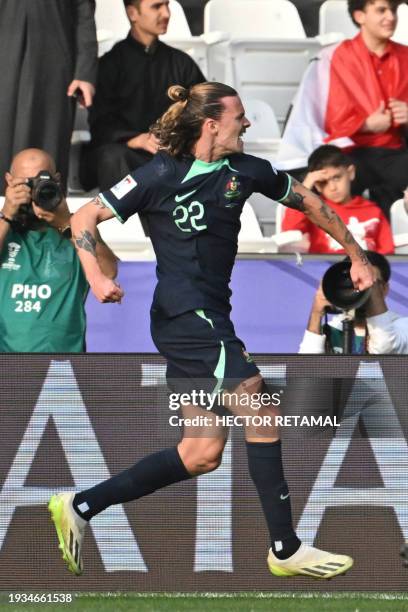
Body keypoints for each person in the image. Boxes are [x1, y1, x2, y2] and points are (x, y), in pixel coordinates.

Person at [49, 82, 374, 579]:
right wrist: (95, 274)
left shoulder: (246, 170)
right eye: (240, 116)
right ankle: (285, 547)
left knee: (200, 453)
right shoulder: (160, 174)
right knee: (259, 402)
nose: (247, 124)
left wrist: (355, 253)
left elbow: (308, 201)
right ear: (210, 124)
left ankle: (82, 506)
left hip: (207, 317)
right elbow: (85, 216)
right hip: (185, 316)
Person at [278, 0, 408, 216]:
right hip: (348, 152)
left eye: (393, 10)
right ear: (360, 16)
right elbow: (314, 118)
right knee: (332, 176)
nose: (391, 17)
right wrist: (365, 124)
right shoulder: (332, 57)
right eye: (381, 10)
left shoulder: (406, 57)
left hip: (394, 152)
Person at [0, 148, 117, 352]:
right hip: (7, 364)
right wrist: (7, 213)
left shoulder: (78, 227)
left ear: (56, 180)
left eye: (39, 181)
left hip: (64, 365)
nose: (32, 191)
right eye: (24, 183)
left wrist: (66, 222)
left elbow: (109, 272)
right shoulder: (5, 229)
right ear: (9, 181)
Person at [82, 0, 205, 191]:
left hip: (171, 155)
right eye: (156, 6)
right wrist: (137, 139)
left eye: (167, 5)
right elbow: (100, 123)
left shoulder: (181, 63)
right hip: (126, 154)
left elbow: (204, 110)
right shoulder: (110, 64)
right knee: (112, 156)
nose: (166, 13)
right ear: (133, 13)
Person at [0, 0, 97, 195]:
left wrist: (85, 72)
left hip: (53, 60)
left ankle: (48, 217)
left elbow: (83, 9)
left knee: (47, 140)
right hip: (5, 51)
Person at [282, 145, 394, 254]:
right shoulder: (313, 209)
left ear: (350, 173)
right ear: (316, 185)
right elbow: (289, 229)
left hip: (367, 271)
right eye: (323, 182)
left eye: (336, 178)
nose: (332, 188)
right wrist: (304, 188)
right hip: (325, 271)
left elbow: (387, 253)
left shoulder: (373, 211)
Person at [299, 251, 408, 354]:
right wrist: (316, 314)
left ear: (384, 288)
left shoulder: (401, 326)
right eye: (354, 281)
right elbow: (305, 369)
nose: (362, 288)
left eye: (370, 283)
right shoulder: (332, 330)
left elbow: (384, 349)